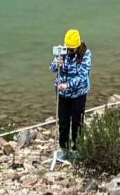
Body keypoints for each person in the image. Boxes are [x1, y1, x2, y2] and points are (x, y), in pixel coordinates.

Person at [52, 30, 92, 161]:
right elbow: (51, 68)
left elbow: (82, 77)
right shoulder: (62, 52)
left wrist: (68, 85)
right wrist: (57, 63)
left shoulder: (86, 55)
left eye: (71, 48)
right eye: (67, 47)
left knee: (77, 123)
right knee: (63, 123)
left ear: (77, 46)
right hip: (63, 95)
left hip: (78, 95)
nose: (69, 50)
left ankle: (76, 150)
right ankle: (64, 149)